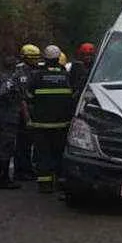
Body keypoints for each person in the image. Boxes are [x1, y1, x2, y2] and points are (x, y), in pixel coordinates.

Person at [26, 45, 74, 193]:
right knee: (59, 152)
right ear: (59, 58)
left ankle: (45, 184)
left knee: (42, 153)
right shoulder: (66, 76)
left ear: (45, 58)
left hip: (41, 124)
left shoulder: (37, 76)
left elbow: (28, 97)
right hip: (61, 124)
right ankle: (60, 182)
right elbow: (73, 98)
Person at [0, 55, 24, 189]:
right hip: (8, 117)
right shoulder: (8, 81)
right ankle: (2, 179)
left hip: (1, 116)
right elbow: (6, 95)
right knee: (5, 147)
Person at [12, 44, 43, 182]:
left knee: (31, 142)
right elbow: (23, 98)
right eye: (33, 58)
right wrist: (27, 117)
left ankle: (28, 168)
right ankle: (21, 171)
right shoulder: (20, 73)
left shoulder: (35, 69)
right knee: (23, 143)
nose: (36, 61)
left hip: (33, 109)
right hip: (23, 111)